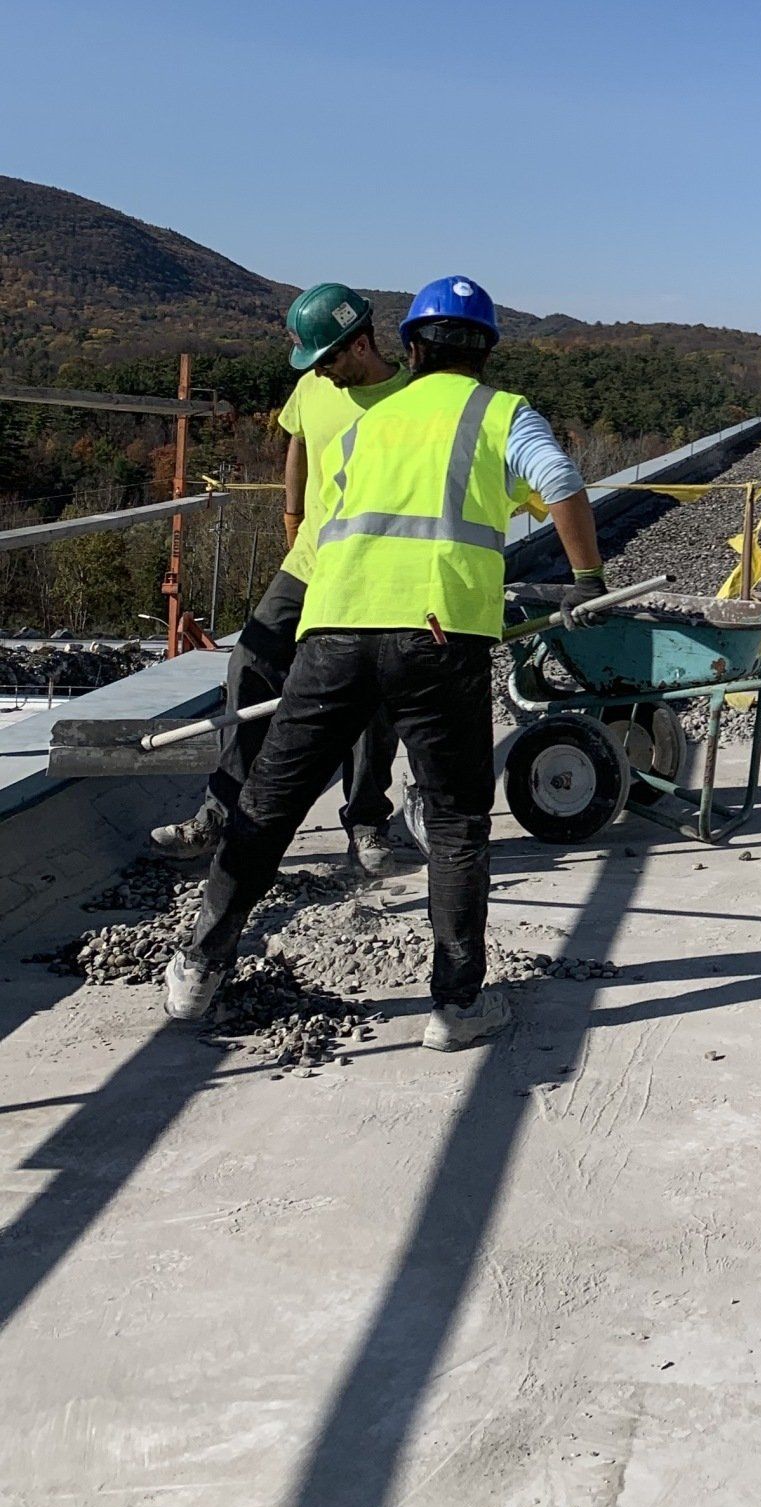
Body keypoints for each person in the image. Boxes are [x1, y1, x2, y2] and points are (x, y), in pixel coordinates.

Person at [162, 275, 606, 1052]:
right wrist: (586, 580)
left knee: (268, 803)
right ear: (488, 348)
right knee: (457, 822)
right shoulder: (501, 413)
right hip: (438, 638)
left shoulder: (369, 422)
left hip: (334, 630)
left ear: (411, 347)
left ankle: (200, 967)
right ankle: (456, 1007)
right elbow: (561, 482)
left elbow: (332, 526)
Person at [150, 283, 409, 875]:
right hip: (312, 562)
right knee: (251, 663)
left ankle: (367, 821)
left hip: (377, 576)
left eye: (328, 360)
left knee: (371, 695)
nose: (320, 373)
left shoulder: (412, 399)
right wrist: (292, 519)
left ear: (362, 345)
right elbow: (297, 440)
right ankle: (219, 812)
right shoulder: (314, 385)